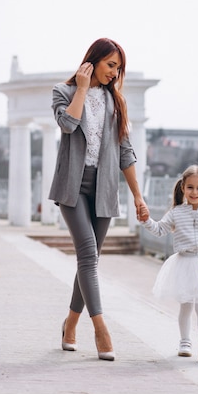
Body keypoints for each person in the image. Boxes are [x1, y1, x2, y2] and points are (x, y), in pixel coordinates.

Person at [49, 38, 148, 361]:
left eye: (118, 68)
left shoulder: (116, 102)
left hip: (104, 189)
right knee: (88, 255)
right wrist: (80, 88)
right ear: (92, 62)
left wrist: (138, 196)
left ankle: (70, 325)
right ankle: (101, 329)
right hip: (72, 187)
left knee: (87, 261)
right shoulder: (62, 93)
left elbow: (125, 152)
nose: (114, 73)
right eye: (110, 65)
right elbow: (68, 124)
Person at [138, 165, 198, 361]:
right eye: (190, 187)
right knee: (186, 305)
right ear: (183, 187)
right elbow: (159, 229)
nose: (194, 192)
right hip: (184, 263)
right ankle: (185, 342)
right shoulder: (176, 213)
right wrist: (146, 220)